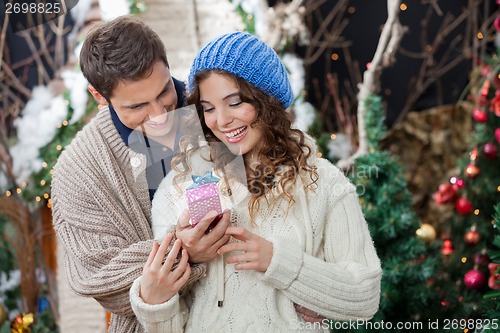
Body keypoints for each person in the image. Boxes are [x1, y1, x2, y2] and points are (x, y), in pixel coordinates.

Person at [130, 31, 382, 332]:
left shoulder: (324, 183)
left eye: (235, 103)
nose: (221, 121)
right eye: (208, 108)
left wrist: (280, 263)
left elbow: (364, 297)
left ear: (268, 100)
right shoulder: (178, 189)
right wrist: (156, 301)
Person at [51, 16, 233, 333]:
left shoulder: (218, 109)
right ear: (98, 95)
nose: (160, 115)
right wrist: (186, 250)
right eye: (137, 106)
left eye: (164, 92)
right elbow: (101, 280)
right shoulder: (77, 171)